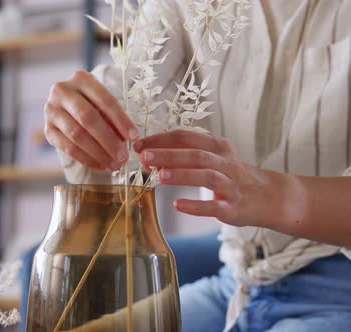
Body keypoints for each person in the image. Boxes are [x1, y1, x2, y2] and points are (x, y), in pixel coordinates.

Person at [42, 0, 351, 331]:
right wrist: (85, 124)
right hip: (237, 284)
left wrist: (272, 193)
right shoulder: (184, 5)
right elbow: (130, 94)